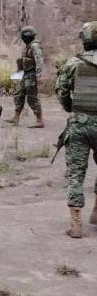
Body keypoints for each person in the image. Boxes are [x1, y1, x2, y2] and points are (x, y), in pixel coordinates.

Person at [55, 21, 97, 239]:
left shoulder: (73, 63)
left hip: (79, 125)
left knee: (76, 174)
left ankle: (76, 223)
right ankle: (96, 212)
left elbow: (61, 91)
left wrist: (71, 108)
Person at [5, 26, 44, 128]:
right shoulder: (27, 46)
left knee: (32, 97)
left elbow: (39, 61)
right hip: (25, 74)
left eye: (23, 36)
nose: (22, 38)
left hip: (32, 75)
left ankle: (39, 120)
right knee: (18, 94)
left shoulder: (35, 46)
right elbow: (22, 62)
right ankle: (16, 117)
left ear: (27, 36)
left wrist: (39, 75)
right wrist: (17, 75)